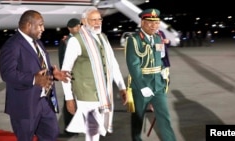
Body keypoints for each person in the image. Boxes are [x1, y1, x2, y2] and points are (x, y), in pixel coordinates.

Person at [0, 10, 70, 141]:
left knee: (51, 134)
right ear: (28, 25)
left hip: (44, 101)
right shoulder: (12, 45)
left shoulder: (37, 42)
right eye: (40, 25)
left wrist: (53, 76)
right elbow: (7, 73)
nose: (43, 28)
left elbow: (40, 69)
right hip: (24, 105)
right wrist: (33, 79)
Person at [61, 7, 127, 141]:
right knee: (93, 130)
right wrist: (69, 98)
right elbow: (65, 72)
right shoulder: (76, 41)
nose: (97, 23)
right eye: (93, 20)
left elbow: (113, 64)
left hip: (104, 93)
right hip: (86, 94)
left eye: (99, 19)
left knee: (97, 129)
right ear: (84, 21)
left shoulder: (103, 38)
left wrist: (121, 87)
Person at [125, 8, 177, 141]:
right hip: (141, 86)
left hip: (158, 85)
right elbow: (133, 65)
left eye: (157, 22)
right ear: (142, 22)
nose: (154, 26)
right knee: (138, 119)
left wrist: (164, 73)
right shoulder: (134, 40)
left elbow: (160, 59)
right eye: (150, 22)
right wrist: (143, 86)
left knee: (164, 117)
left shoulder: (158, 38)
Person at [58, 18, 80, 136]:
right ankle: (70, 129)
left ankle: (76, 127)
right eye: (75, 26)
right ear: (69, 29)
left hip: (82, 77)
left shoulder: (81, 39)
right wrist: (65, 76)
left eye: (78, 26)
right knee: (69, 101)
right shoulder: (66, 41)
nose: (78, 28)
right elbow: (63, 61)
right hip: (71, 76)